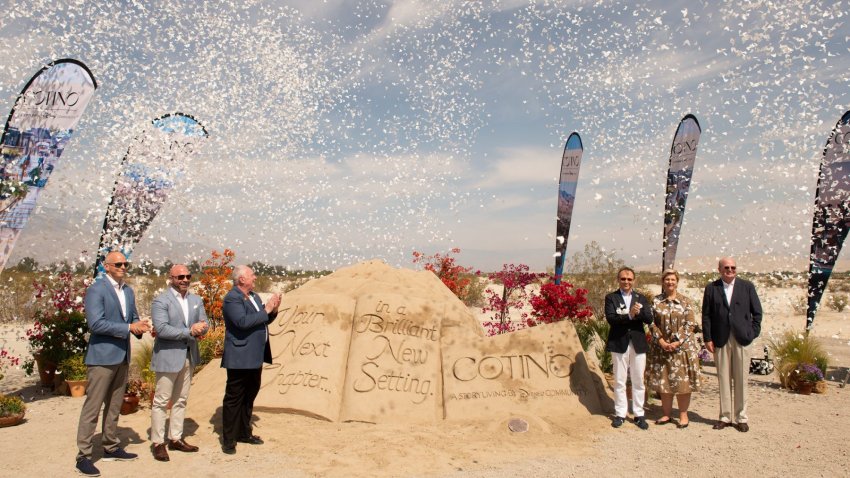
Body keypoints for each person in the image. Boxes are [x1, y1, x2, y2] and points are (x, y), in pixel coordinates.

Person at [75, 251, 151, 477]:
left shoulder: (128, 291)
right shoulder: (96, 290)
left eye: (125, 263)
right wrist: (129, 328)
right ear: (106, 266)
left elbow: (132, 319)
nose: (123, 267)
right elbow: (96, 324)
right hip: (101, 357)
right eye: (118, 264)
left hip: (122, 356)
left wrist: (140, 326)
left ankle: (110, 446)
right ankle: (83, 456)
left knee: (115, 405)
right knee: (93, 406)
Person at [149, 264, 210, 462]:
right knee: (161, 401)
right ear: (171, 278)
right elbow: (161, 329)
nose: (185, 280)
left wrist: (201, 328)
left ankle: (175, 438)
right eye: (180, 277)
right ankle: (158, 442)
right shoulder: (161, 300)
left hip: (189, 355)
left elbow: (205, 323)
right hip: (168, 356)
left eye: (188, 276)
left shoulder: (195, 300)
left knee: (181, 400)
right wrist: (189, 331)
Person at [220, 265, 281, 454]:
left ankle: (244, 433)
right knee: (234, 398)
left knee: (249, 395)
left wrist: (273, 310)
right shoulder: (232, 298)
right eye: (251, 275)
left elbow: (262, 319)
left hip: (255, 355)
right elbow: (242, 322)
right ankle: (229, 440)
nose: (255, 278)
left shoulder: (253, 296)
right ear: (241, 279)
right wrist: (266, 310)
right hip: (240, 356)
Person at [702, 257, 762, 432]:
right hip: (720, 338)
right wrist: (707, 338)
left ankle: (741, 417)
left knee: (741, 379)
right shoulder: (711, 288)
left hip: (742, 338)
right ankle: (725, 417)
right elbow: (706, 315)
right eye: (726, 267)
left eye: (733, 267)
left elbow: (757, 313)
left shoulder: (747, 286)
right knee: (723, 378)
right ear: (719, 269)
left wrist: (752, 333)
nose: (730, 270)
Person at [647, 269, 702, 429]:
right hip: (662, 348)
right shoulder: (656, 301)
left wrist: (676, 342)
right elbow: (651, 322)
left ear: (677, 282)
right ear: (663, 282)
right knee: (665, 381)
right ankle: (666, 414)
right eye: (667, 279)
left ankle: (683, 415)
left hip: (682, 349)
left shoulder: (685, 301)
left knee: (683, 383)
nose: (670, 282)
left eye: (673, 279)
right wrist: (662, 341)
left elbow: (690, 324)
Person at [604, 266, 653, 430]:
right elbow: (611, 319)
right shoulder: (611, 298)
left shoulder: (641, 298)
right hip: (619, 342)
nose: (626, 282)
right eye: (623, 279)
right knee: (619, 380)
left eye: (629, 279)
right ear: (618, 280)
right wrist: (629, 315)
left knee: (638, 379)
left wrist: (638, 313)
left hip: (638, 343)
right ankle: (620, 413)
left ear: (634, 280)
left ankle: (639, 414)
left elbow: (649, 318)